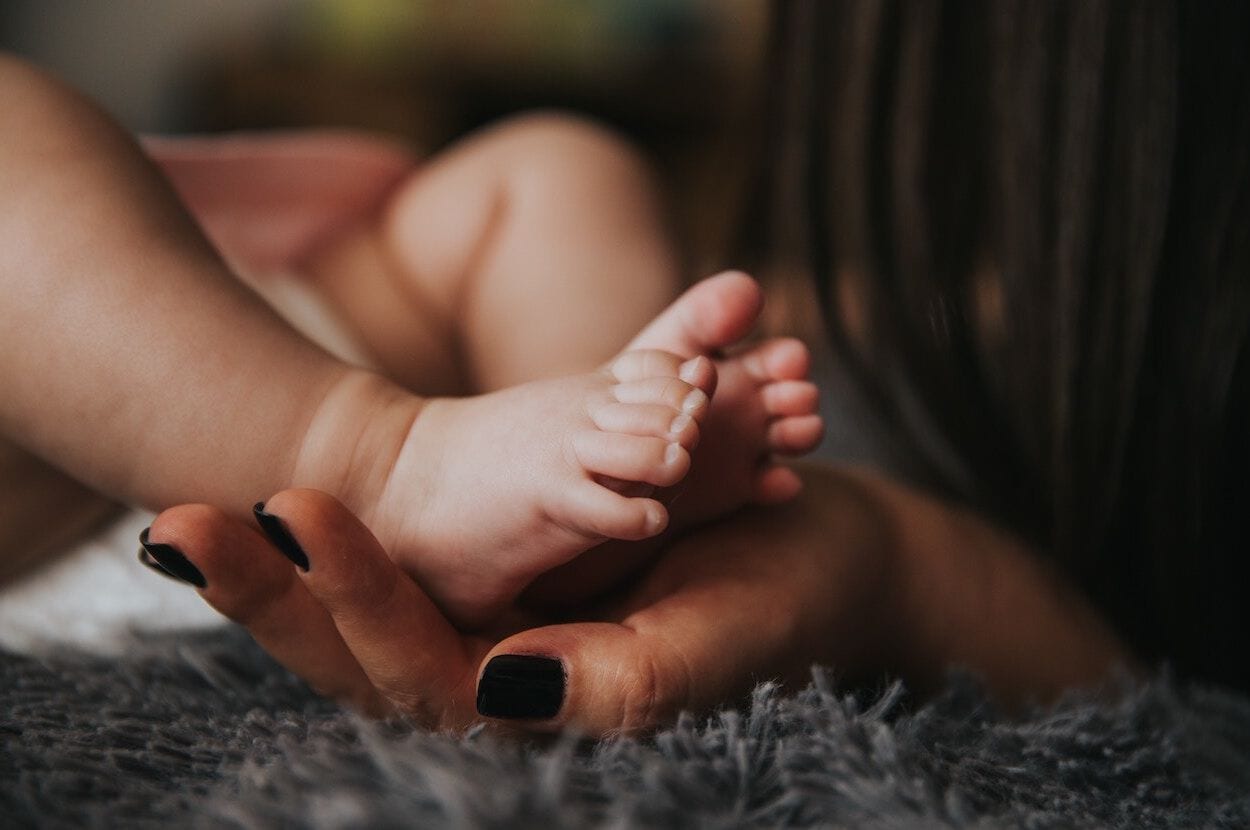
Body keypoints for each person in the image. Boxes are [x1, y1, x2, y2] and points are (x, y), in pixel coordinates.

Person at [0, 53, 825, 632]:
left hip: (270, 325)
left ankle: (586, 486)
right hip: (53, 490)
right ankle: (383, 466)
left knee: (556, 165)